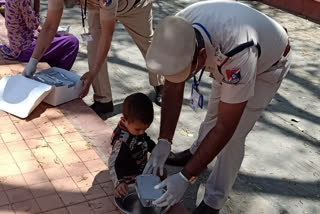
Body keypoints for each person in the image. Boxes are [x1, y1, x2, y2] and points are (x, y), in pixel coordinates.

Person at [143, 1, 292, 213]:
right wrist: (164, 140)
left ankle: (214, 200)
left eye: (183, 73)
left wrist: (186, 177)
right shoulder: (176, 28)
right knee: (212, 113)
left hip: (267, 65)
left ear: (202, 57)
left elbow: (225, 127)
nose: (177, 82)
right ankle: (196, 153)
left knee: (234, 134)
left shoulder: (237, 51)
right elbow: (172, 87)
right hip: (225, 54)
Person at [79, 0, 164, 114]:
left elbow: (107, 35)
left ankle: (161, 83)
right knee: (94, 46)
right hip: (100, 7)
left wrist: (93, 72)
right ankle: (103, 99)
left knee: (147, 44)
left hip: (135, 7)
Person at [0, 0, 79, 71]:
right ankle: (57, 74)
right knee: (72, 41)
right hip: (23, 48)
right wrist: (37, 4)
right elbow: (34, 25)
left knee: (60, 36)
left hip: (22, 43)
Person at [108, 92, 157, 198]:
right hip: (127, 177)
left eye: (145, 129)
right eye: (138, 129)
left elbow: (145, 140)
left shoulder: (136, 128)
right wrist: (119, 182)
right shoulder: (122, 141)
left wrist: (157, 150)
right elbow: (113, 163)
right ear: (124, 120)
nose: (142, 132)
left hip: (140, 168)